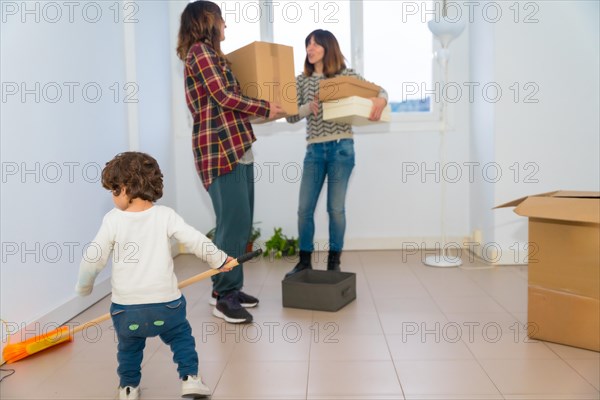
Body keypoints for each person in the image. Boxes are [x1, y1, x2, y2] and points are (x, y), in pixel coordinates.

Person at [76, 152, 233, 400]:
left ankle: (128, 388)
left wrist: (84, 287)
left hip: (127, 310)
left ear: (126, 189)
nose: (113, 196)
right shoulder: (165, 216)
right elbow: (195, 240)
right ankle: (190, 379)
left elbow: (93, 258)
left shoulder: (113, 220)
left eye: (114, 190)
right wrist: (220, 260)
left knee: (129, 348)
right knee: (181, 336)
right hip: (166, 306)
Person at [176, 0, 285, 324]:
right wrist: (266, 107)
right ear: (208, 21)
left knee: (240, 225)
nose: (226, 27)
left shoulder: (213, 56)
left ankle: (229, 288)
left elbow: (228, 100)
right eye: (222, 21)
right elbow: (225, 96)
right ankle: (224, 296)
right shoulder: (201, 53)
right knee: (231, 227)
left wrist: (266, 108)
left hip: (237, 146)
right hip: (220, 150)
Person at [285, 29, 388, 277]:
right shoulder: (301, 81)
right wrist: (308, 107)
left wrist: (380, 101)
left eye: (315, 44)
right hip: (314, 149)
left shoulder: (346, 76)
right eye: (307, 44)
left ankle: (334, 262)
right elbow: (289, 116)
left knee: (336, 209)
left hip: (342, 147)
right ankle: (304, 261)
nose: (310, 48)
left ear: (328, 47)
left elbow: (380, 91)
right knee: (304, 209)